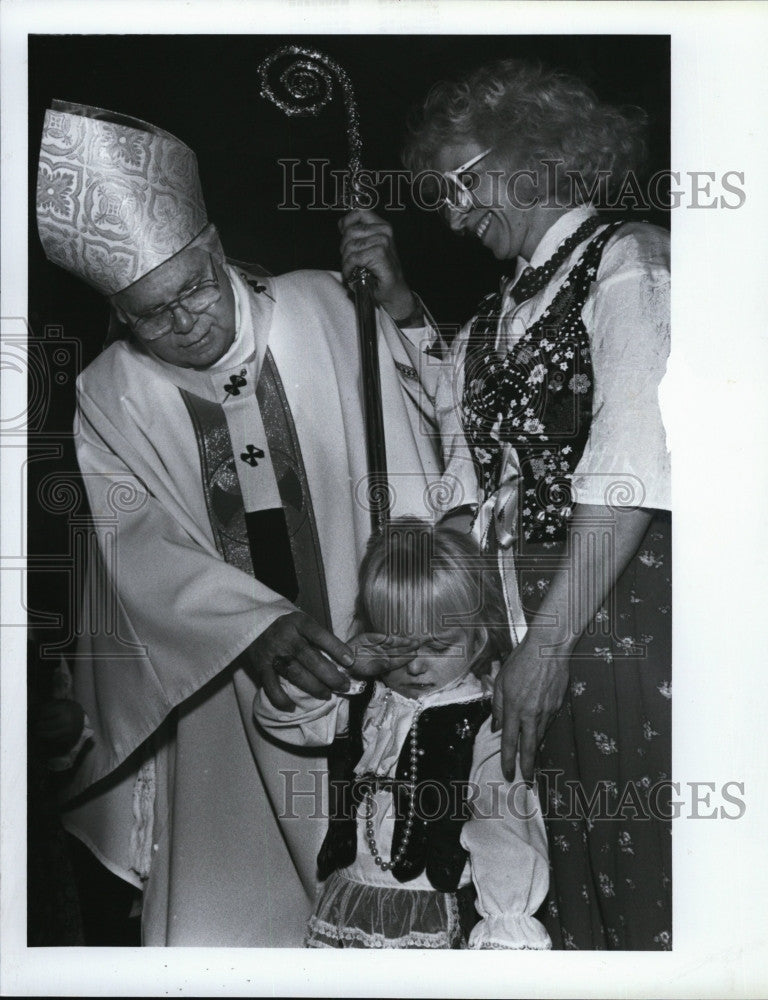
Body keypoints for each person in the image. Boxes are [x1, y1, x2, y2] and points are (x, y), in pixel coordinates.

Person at [35, 100, 444, 945]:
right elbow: (130, 542)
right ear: (121, 315)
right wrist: (250, 626)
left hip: (393, 651)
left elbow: (444, 421)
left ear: (216, 251)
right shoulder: (110, 393)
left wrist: (399, 311)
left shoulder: (328, 305)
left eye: (193, 288)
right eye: (155, 313)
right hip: (225, 688)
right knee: (238, 911)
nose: (186, 320)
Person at [339, 60, 671, 949]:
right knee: (539, 858)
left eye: (458, 184)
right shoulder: (500, 309)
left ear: (529, 157)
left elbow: (630, 459)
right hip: (523, 630)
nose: (448, 211)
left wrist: (552, 644)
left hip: (616, 620)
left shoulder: (627, 260)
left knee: (626, 850)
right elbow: (466, 453)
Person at [254, 517, 552, 949]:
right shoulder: (358, 697)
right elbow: (279, 713)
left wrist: (506, 925)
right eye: (397, 646)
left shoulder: (484, 720)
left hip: (433, 907)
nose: (415, 666)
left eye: (437, 646)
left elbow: (503, 825)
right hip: (348, 900)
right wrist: (344, 666)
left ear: (477, 639)